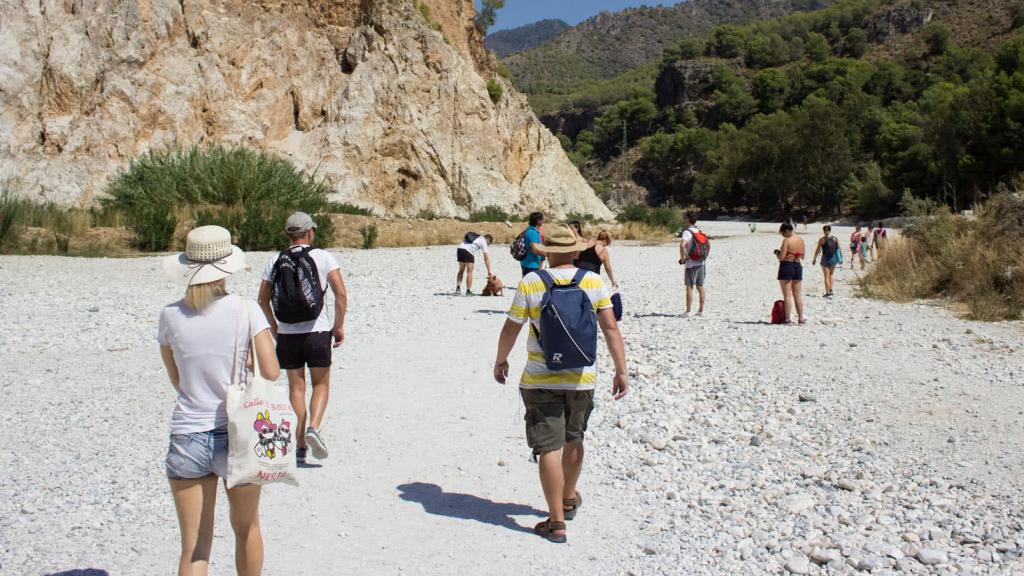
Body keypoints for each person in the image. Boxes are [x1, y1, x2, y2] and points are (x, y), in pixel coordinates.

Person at [493, 224, 628, 545]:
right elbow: (610, 329)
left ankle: (556, 522)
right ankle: (568, 498)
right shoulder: (593, 282)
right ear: (575, 251)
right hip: (581, 377)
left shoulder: (531, 282)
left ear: (548, 253)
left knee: (548, 447)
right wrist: (621, 370)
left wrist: (501, 360)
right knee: (574, 437)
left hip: (540, 378)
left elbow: (511, 328)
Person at [159, 225, 280, 576]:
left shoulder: (170, 316)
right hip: (238, 431)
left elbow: (178, 379)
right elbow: (271, 372)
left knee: (195, 549)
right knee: (247, 530)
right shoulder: (246, 311)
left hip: (187, 434)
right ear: (227, 265)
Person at [257, 212, 348, 464]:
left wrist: (276, 329)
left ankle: (299, 446)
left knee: (296, 388)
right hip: (317, 332)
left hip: (287, 335)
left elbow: (262, 300)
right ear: (310, 232)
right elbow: (341, 294)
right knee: (321, 385)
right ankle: (314, 428)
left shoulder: (274, 260)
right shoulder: (323, 256)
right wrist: (338, 326)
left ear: (288, 234)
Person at [570, 223, 619, 290]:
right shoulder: (604, 251)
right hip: (592, 278)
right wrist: (613, 281)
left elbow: (576, 257)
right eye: (607, 244)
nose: (606, 246)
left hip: (577, 275)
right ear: (605, 241)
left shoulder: (588, 242)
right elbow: (607, 268)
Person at [776, 222, 806, 324]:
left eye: (783, 233)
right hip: (798, 266)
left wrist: (777, 253)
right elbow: (803, 256)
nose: (783, 236)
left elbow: (781, 257)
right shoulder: (801, 240)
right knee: (797, 295)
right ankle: (801, 318)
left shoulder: (786, 241)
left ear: (787, 231)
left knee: (787, 295)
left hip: (787, 266)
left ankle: (787, 319)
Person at [678, 212, 707, 317]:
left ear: (688, 220)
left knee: (689, 286)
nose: (684, 220)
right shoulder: (699, 231)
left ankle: (688, 311)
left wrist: (684, 259)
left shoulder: (687, 232)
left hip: (691, 264)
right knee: (700, 286)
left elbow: (682, 246)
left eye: (685, 218)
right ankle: (701, 311)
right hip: (701, 262)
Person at [812, 225, 842, 298]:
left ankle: (827, 292)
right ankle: (831, 290)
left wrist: (814, 258)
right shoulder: (835, 238)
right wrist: (841, 258)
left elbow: (817, 250)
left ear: (823, 231)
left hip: (825, 258)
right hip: (834, 258)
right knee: (831, 274)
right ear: (830, 230)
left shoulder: (822, 239)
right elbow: (839, 249)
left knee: (826, 276)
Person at [521, 212, 547, 277]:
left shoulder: (529, 230)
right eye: (542, 219)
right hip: (531, 264)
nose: (543, 221)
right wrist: (547, 254)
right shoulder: (533, 232)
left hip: (527, 262)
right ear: (538, 221)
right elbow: (534, 249)